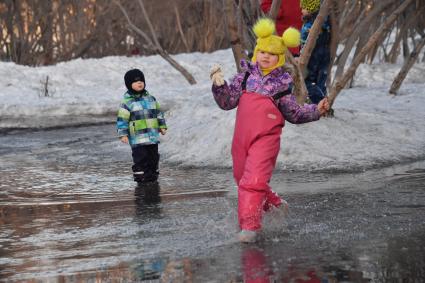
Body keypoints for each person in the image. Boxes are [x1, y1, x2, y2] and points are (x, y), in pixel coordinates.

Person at [210, 18, 329, 243]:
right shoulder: (245, 76)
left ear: (279, 58)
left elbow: (294, 113)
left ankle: (249, 228)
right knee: (241, 177)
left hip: (266, 139)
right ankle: (274, 203)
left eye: (272, 54)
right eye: (262, 51)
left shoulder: (282, 84)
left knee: (253, 181)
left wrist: (316, 110)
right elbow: (227, 102)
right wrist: (219, 86)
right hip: (242, 138)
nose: (266, 56)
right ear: (256, 52)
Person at [117, 68, 167, 185]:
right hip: (137, 138)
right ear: (129, 84)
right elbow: (122, 119)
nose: (139, 83)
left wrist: (162, 125)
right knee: (141, 158)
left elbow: (158, 113)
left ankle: (152, 176)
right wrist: (123, 134)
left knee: (153, 157)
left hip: (152, 136)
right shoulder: (127, 102)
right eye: (135, 81)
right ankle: (141, 177)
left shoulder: (151, 99)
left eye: (141, 81)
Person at [300, 0, 331, 104]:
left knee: (310, 79)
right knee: (321, 79)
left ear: (310, 9)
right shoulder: (324, 21)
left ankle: (318, 102)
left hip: (314, 54)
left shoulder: (310, 24)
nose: (301, 10)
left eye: (303, 8)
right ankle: (323, 101)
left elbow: (304, 39)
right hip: (324, 51)